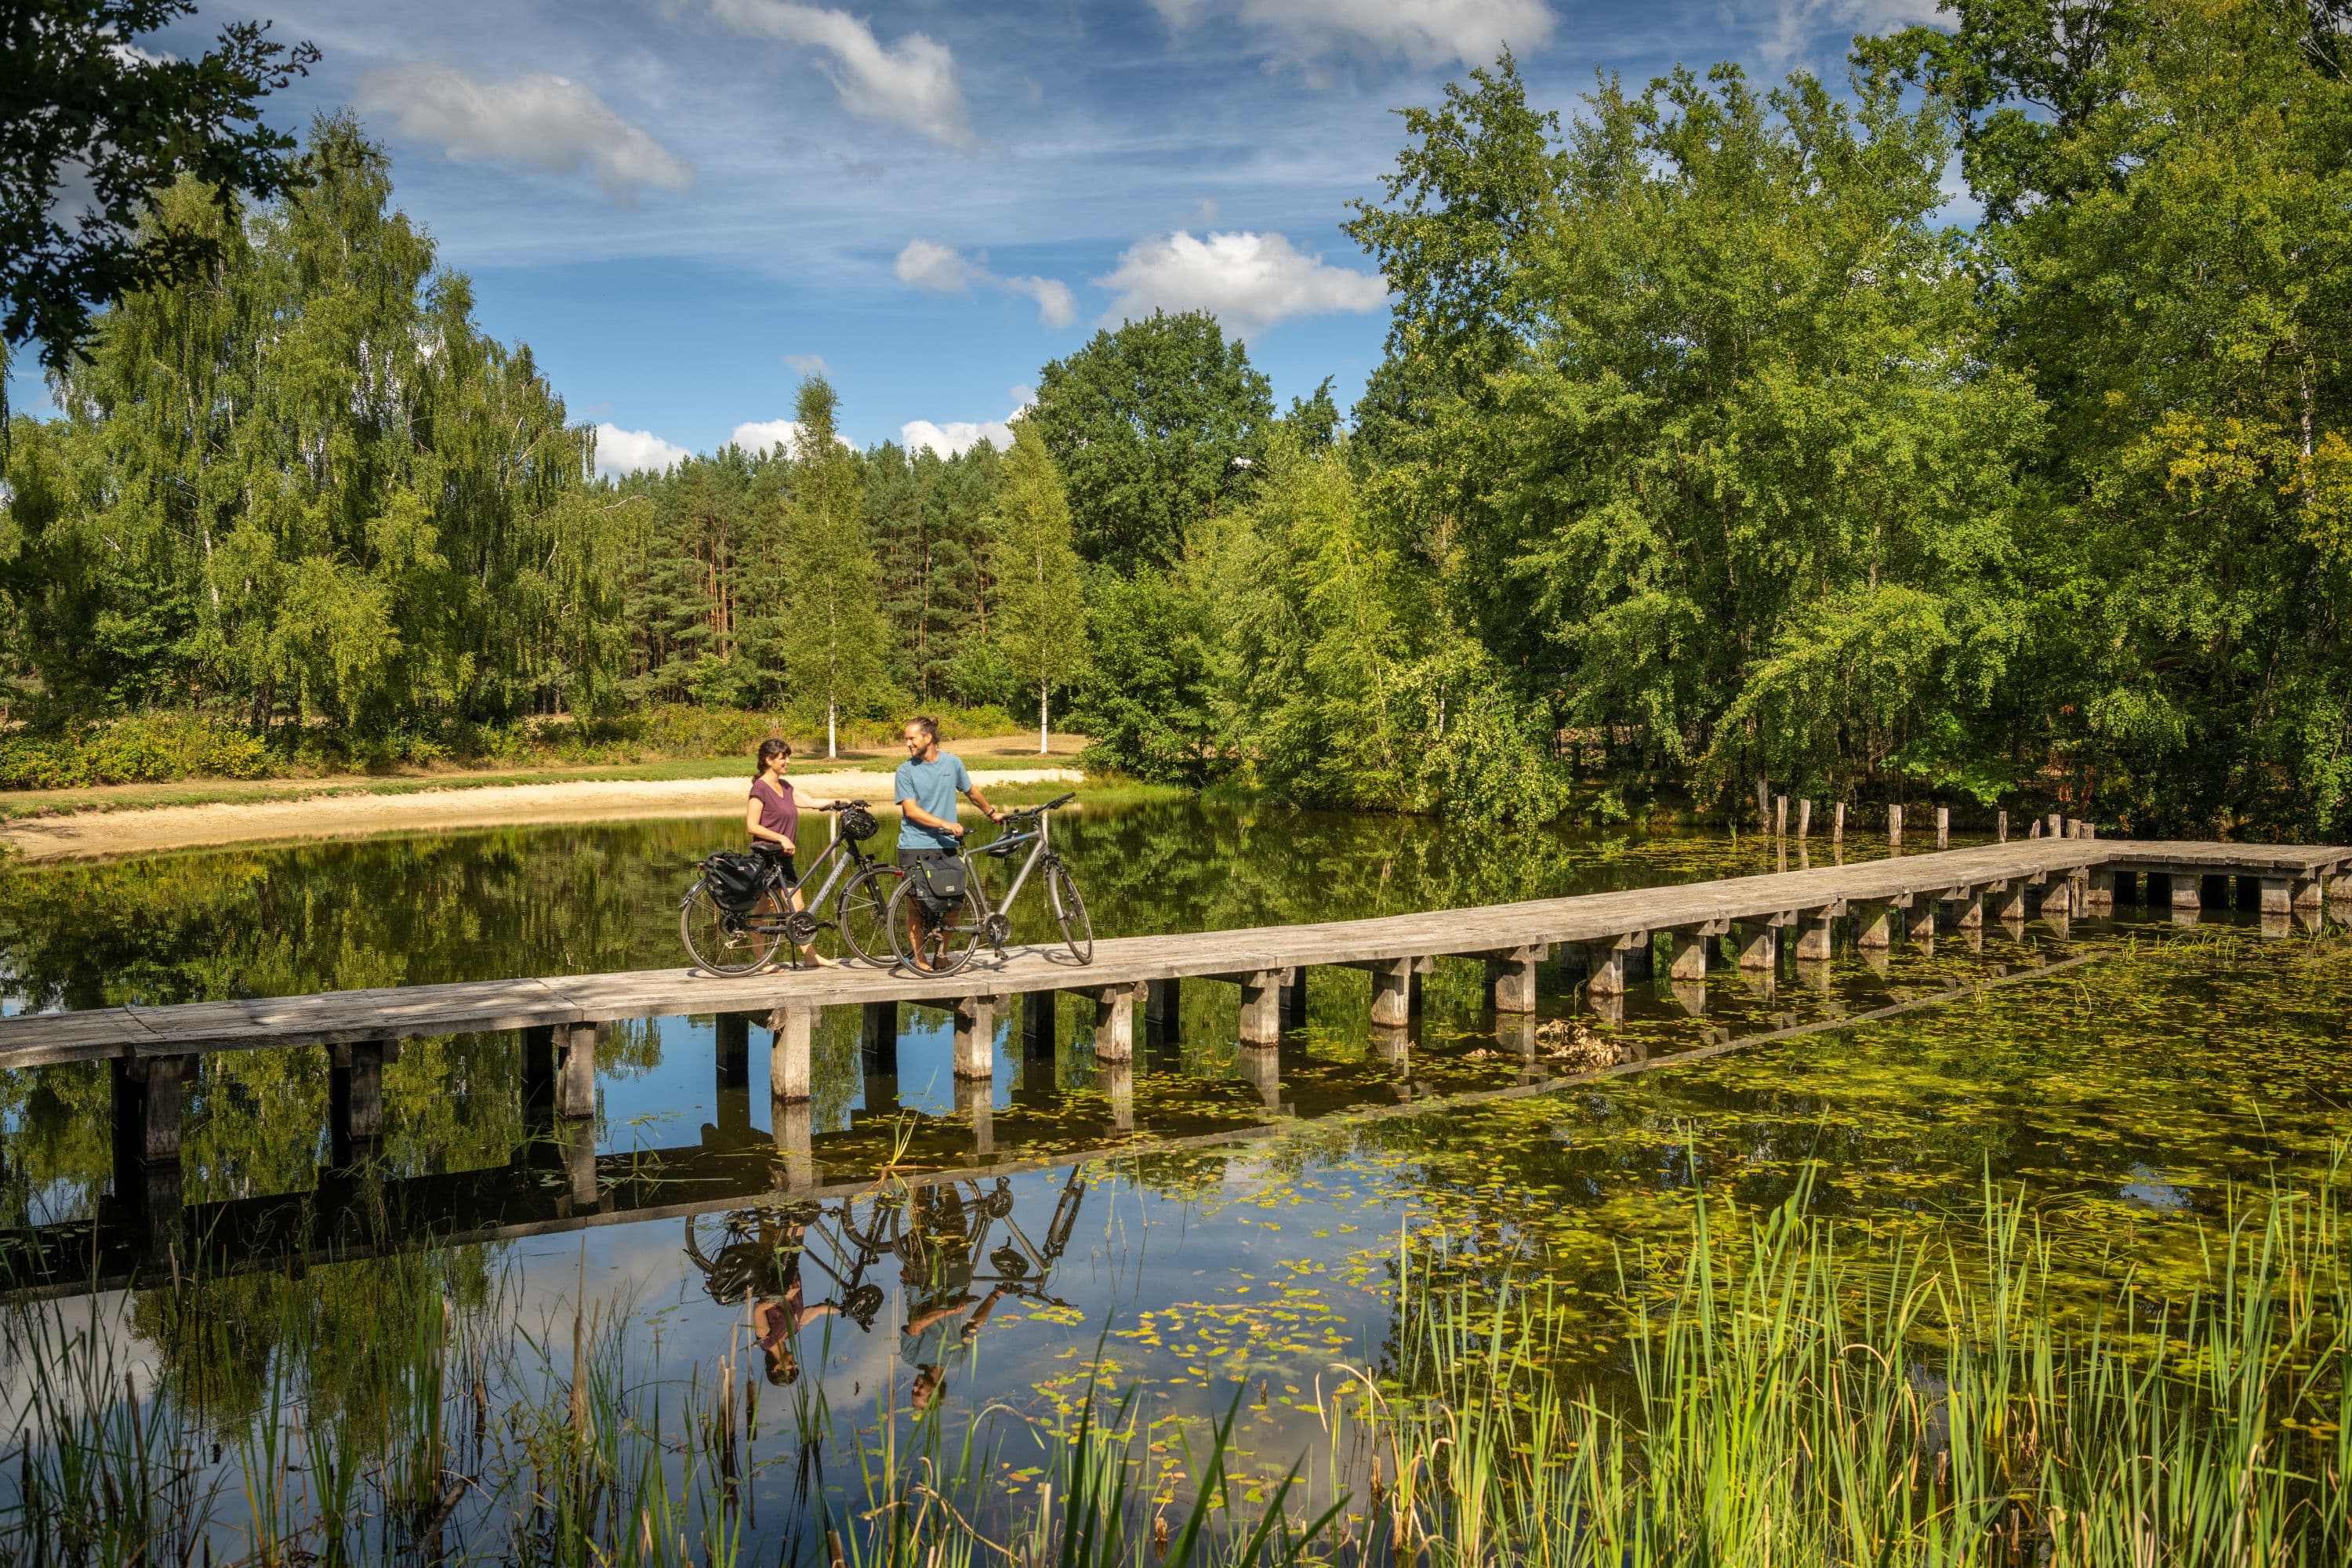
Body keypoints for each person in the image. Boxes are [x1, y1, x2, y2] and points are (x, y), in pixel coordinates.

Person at [893, 716, 1002, 969]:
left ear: (928, 737)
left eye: (911, 738)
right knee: (916, 906)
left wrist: (992, 813)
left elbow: (971, 792)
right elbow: (911, 811)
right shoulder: (905, 771)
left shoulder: (952, 763)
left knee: (956, 901)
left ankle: (942, 955)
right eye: (906, 739)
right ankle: (920, 959)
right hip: (915, 845)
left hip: (946, 845)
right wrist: (945, 823)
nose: (908, 743)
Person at [747, 738, 833, 967]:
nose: (788, 761)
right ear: (769, 760)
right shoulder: (760, 789)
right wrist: (781, 837)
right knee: (761, 911)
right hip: (766, 858)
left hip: (784, 859)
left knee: (797, 907)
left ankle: (810, 956)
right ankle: (761, 961)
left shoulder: (785, 787)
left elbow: (812, 802)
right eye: (783, 757)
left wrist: (840, 802)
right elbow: (752, 825)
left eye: (788, 757)